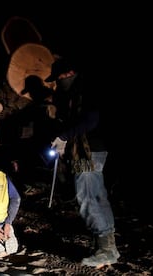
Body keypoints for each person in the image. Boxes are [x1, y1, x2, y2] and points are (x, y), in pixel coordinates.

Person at [45, 57, 120, 267]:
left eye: (59, 78)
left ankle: (106, 249)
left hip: (88, 152)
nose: (58, 82)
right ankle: (106, 245)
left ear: (68, 73)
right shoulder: (73, 94)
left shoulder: (86, 91)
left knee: (87, 196)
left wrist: (64, 137)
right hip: (90, 151)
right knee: (96, 195)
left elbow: (91, 120)